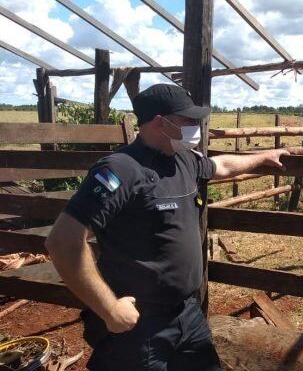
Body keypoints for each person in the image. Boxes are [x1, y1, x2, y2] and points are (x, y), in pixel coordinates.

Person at [45, 84, 288, 370]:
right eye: (187, 120)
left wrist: (262, 157)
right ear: (160, 122)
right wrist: (109, 309)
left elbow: (221, 166)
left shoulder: (184, 159)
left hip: (187, 314)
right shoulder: (120, 169)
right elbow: (62, 241)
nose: (196, 126)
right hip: (138, 326)